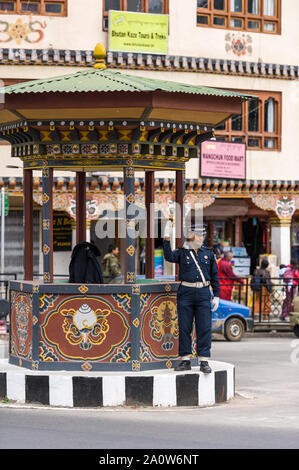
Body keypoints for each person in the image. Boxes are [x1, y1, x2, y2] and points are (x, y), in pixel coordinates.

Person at [163, 221, 220, 373]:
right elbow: (168, 256)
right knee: (184, 327)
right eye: (198, 235)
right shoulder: (183, 252)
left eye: (202, 235)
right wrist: (167, 239)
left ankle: (203, 360)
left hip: (203, 293)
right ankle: (185, 359)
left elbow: (215, 276)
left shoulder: (208, 254)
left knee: (204, 328)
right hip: (186, 293)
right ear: (191, 236)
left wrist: (216, 296)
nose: (201, 238)